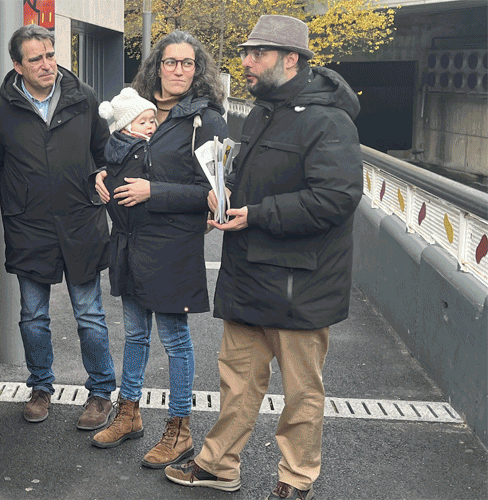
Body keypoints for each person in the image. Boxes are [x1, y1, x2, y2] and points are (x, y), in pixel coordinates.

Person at [163, 15, 363, 500]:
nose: (246, 63)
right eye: (247, 53)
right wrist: (224, 193)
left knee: (301, 393)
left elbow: (336, 197)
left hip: (301, 282)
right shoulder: (262, 112)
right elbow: (262, 180)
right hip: (249, 274)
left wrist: (256, 214)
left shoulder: (328, 120)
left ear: (290, 60)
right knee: (236, 382)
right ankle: (218, 465)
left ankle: (296, 480)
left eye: (258, 54)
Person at [91, 32, 229, 469]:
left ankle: (180, 426)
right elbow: (113, 155)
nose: (179, 71)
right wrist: (100, 174)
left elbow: (217, 193)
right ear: (158, 65)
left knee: (174, 340)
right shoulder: (133, 107)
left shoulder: (206, 120)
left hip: (173, 245)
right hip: (129, 243)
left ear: (197, 69)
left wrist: (156, 191)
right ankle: (128, 412)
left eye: (188, 64)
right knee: (133, 333)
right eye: (171, 63)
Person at [0, 24, 117, 430]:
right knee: (33, 316)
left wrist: (101, 174)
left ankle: (100, 392)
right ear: (18, 65)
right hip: (29, 226)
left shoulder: (83, 98)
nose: (47, 64)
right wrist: (19, 198)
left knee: (90, 314)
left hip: (81, 220)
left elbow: (103, 150)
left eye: (51, 55)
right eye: (35, 58)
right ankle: (40, 387)